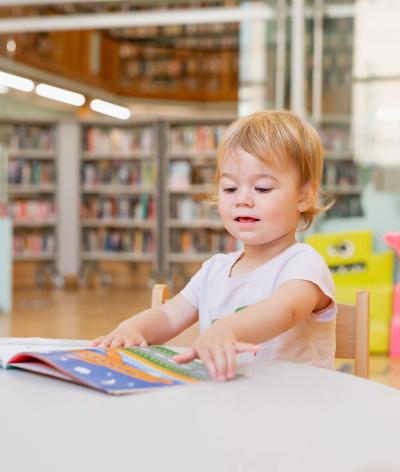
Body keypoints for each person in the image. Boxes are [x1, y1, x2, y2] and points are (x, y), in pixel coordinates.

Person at [92, 110, 336, 382]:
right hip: (228, 405)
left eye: (263, 188)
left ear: (303, 197)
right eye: (230, 188)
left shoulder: (304, 263)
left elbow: (286, 309)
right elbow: (169, 316)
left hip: (297, 409)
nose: (242, 199)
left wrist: (227, 329)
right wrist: (132, 328)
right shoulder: (214, 270)